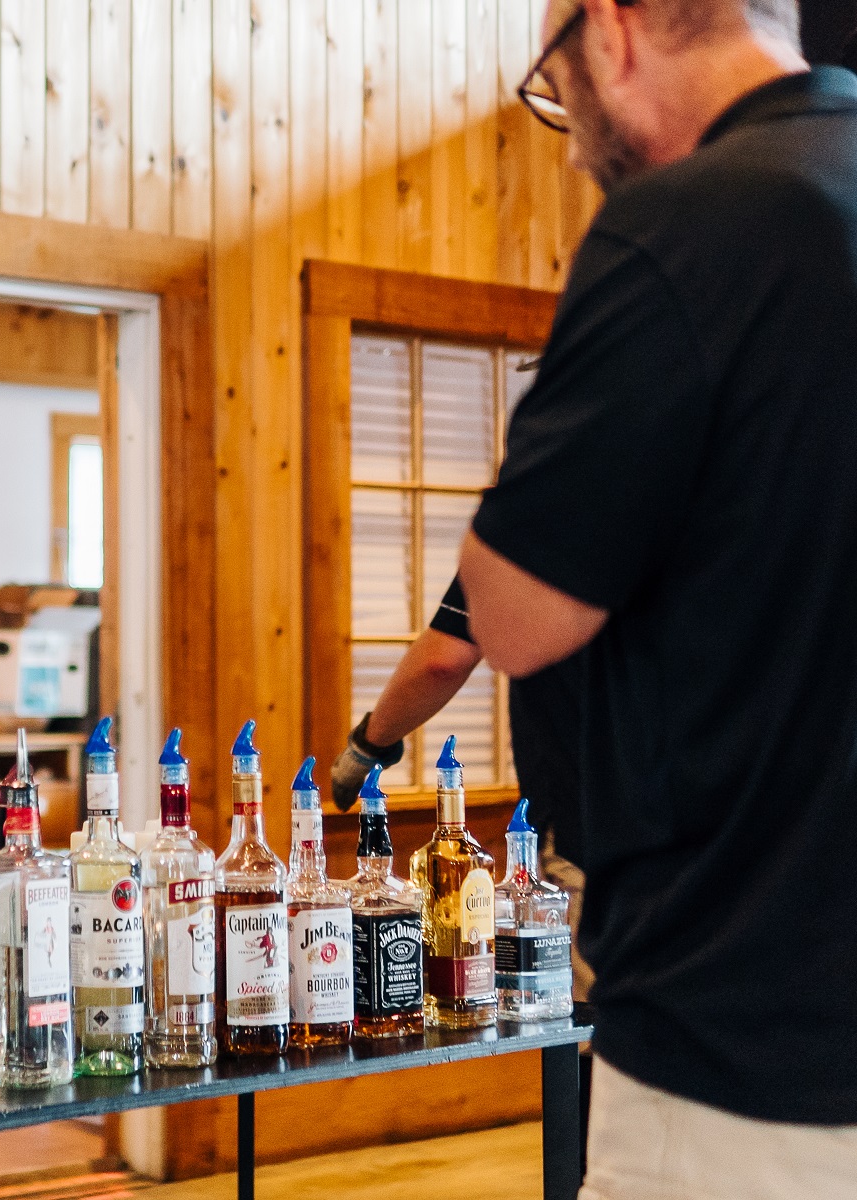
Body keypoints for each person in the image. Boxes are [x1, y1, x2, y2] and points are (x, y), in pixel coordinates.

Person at [463, 1, 857, 1195]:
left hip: (743, 1039)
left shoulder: (686, 227)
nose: (571, 129)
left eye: (557, 78)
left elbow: (515, 617)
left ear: (614, 32)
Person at [331, 578, 592, 998]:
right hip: (709, 825)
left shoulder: (537, 522)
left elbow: (443, 659)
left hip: (591, 822)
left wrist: (368, 744)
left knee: (594, 1030)